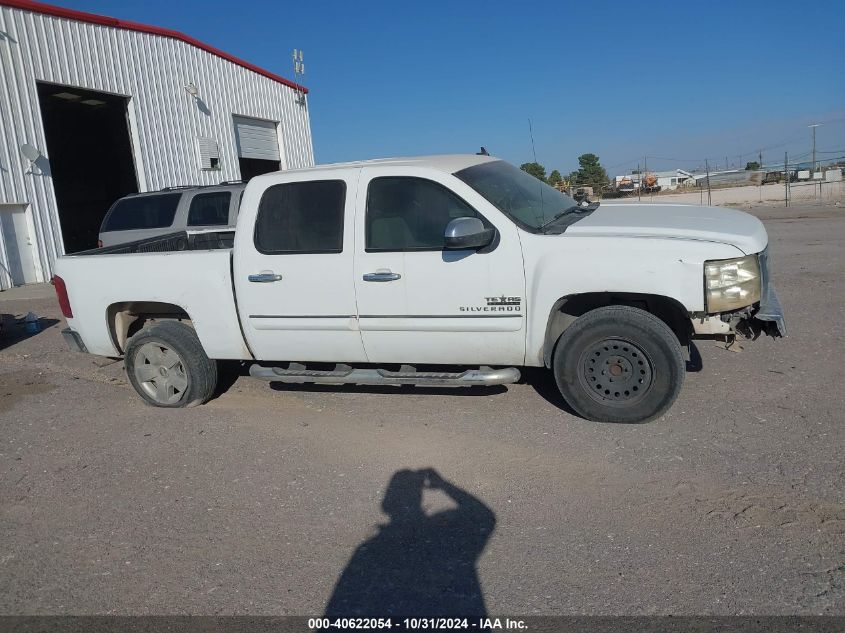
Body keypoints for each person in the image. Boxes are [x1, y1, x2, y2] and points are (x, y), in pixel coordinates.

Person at [324, 468, 496, 618]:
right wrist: (443, 484)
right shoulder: (444, 535)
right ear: (419, 499)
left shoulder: (372, 551)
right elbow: (483, 516)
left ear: (387, 504)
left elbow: (338, 608)